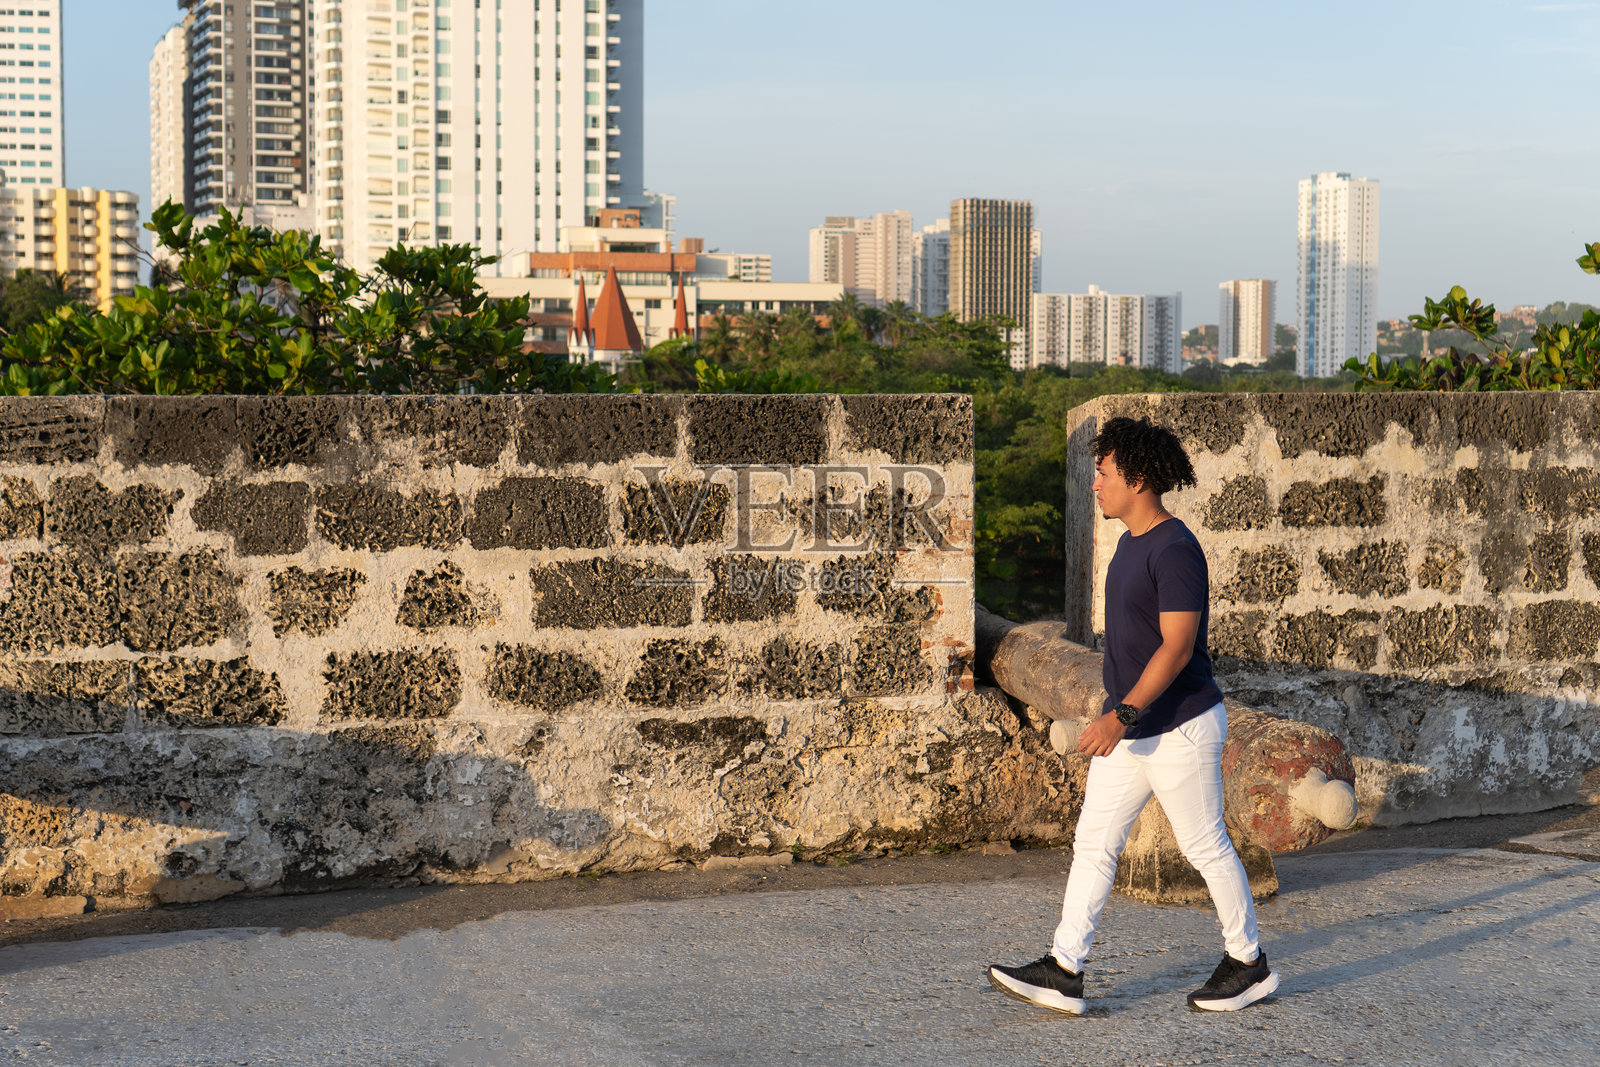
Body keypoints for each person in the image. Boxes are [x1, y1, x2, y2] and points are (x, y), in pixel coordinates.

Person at [986, 416, 1278, 1015]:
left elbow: (1176, 646)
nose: (1095, 483)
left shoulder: (1175, 549)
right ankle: (1065, 970)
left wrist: (1119, 715)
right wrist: (1117, 713)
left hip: (1180, 726)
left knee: (1204, 846)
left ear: (1138, 478)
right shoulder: (1129, 544)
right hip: (1134, 726)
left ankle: (1248, 963)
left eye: (1104, 473)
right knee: (1093, 842)